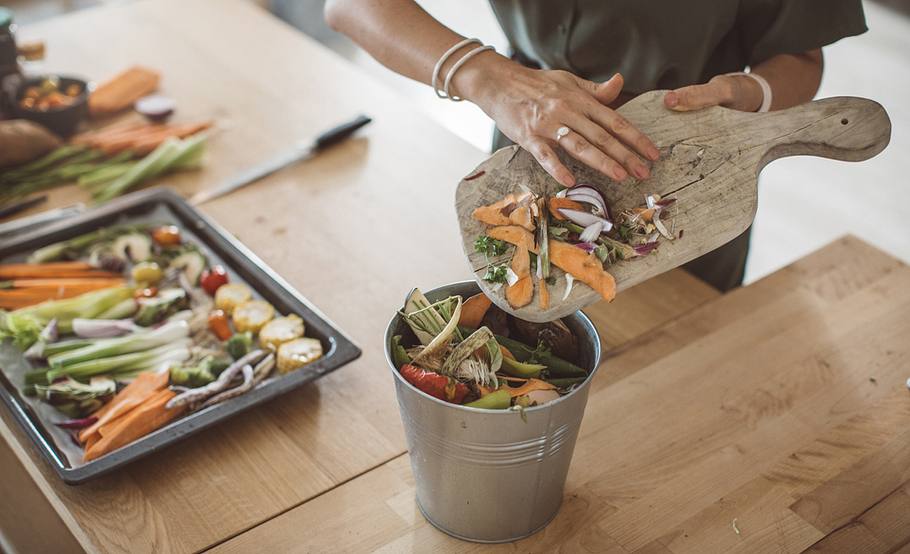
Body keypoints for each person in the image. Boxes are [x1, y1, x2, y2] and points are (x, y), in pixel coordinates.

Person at [324, 1, 867, 291]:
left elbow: (800, 55)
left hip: (692, 170)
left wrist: (750, 94)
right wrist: (489, 78)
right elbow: (352, 5)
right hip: (533, 154)